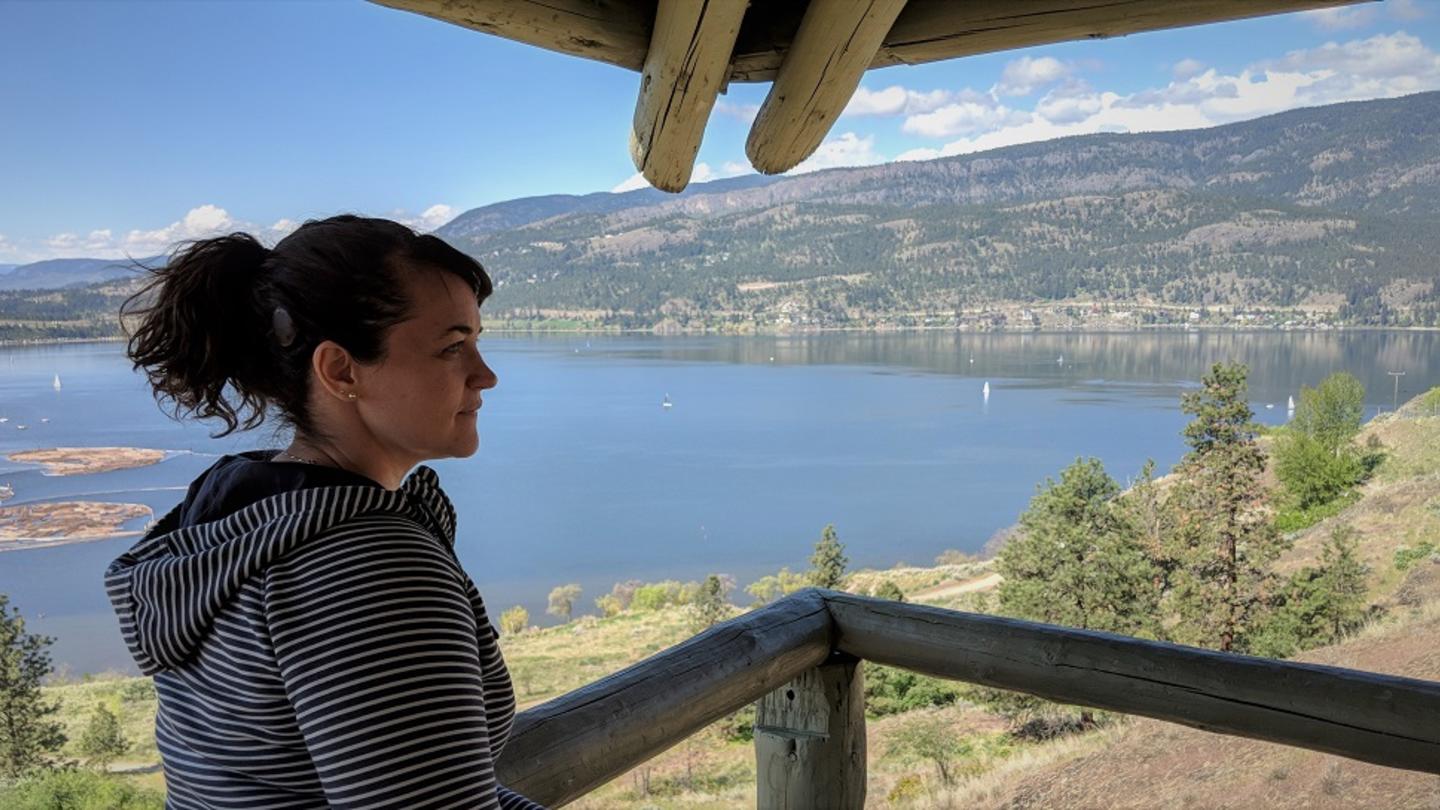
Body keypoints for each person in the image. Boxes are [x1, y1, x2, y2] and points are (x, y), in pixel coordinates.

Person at [106, 215, 544, 809]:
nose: (485, 375)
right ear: (341, 372)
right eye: (453, 346)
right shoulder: (370, 569)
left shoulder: (243, 517)